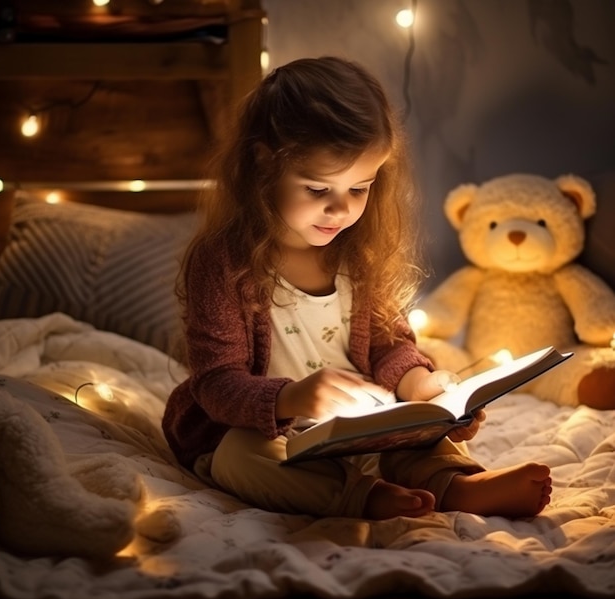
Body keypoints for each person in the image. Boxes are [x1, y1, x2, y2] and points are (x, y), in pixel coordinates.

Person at [163, 56, 552, 520]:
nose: (341, 211)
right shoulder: (224, 262)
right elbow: (217, 383)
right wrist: (292, 398)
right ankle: (357, 498)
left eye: (359, 189)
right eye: (317, 189)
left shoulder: (358, 255)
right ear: (264, 164)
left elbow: (389, 345)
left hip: (359, 429)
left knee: (425, 442)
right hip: (261, 428)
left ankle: (458, 488)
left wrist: (422, 384)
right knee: (243, 459)